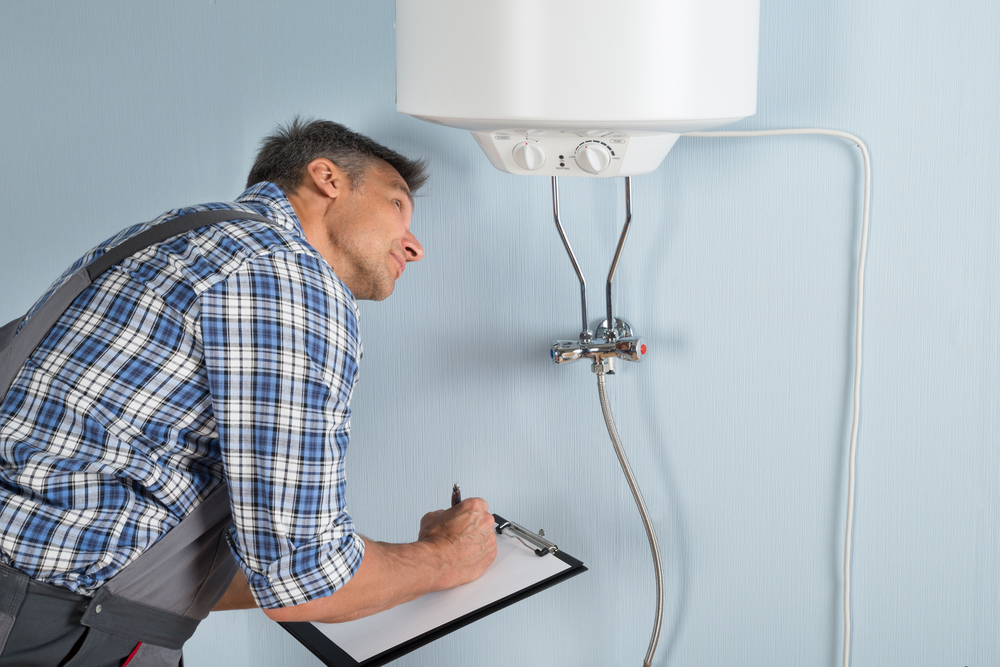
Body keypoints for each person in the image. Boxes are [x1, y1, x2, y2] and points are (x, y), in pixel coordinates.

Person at [0, 118, 497, 666]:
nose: (415, 244)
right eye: (397, 205)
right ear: (327, 178)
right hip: (53, 629)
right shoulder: (287, 275)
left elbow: (150, 530)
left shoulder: (169, 237)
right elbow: (305, 579)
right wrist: (446, 558)